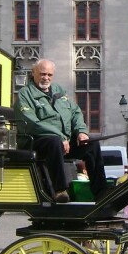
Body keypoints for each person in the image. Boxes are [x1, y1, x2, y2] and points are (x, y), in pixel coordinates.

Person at [13, 59, 107, 204]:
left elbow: (75, 112)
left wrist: (81, 131)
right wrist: (60, 136)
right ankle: (60, 190)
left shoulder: (58, 91)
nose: (46, 78)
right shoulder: (25, 94)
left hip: (63, 141)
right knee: (54, 141)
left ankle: (101, 192)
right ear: (33, 73)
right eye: (42, 74)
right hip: (36, 141)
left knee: (92, 145)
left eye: (49, 75)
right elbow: (32, 123)